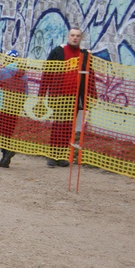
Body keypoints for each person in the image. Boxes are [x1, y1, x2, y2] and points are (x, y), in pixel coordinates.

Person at [40, 28, 96, 167]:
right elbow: (47, 72)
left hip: (75, 97)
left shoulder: (85, 54)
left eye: (78, 36)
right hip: (59, 96)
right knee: (58, 125)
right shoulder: (58, 51)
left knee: (69, 126)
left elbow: (90, 75)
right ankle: (53, 155)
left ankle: (61, 155)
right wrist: (42, 93)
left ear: (81, 38)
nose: (75, 38)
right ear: (68, 36)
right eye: (72, 35)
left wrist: (92, 95)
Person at [0, 50, 29, 168]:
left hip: (4, 105)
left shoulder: (4, 71)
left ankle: (6, 152)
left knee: (0, 131)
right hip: (15, 107)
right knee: (9, 131)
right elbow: (26, 92)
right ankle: (5, 158)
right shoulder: (23, 73)